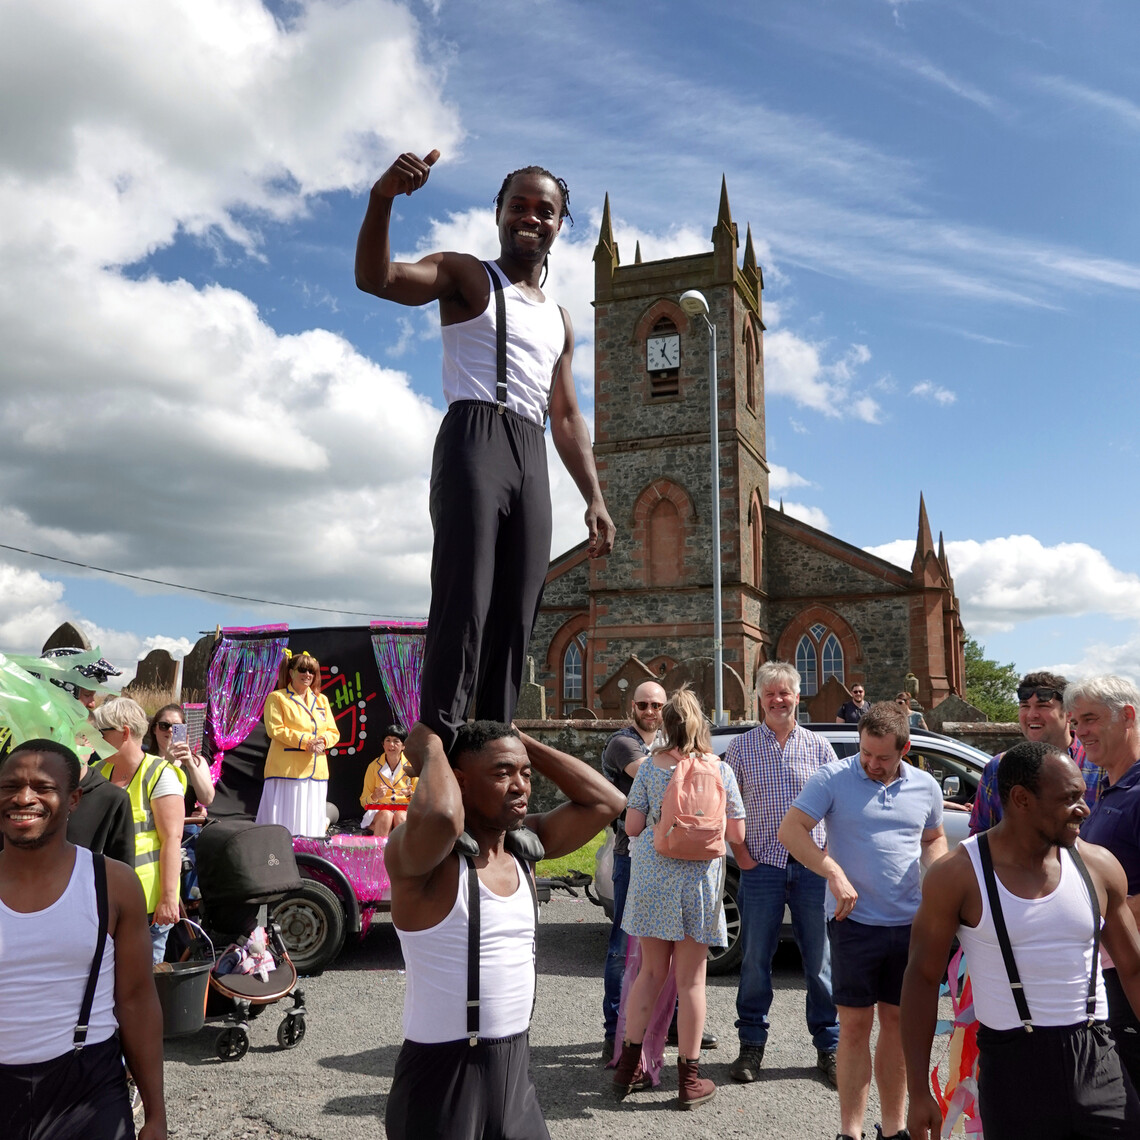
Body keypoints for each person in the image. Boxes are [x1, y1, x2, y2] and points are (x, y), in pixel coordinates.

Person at [355, 150, 615, 785]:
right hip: (475, 432)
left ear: (560, 225)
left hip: (531, 450)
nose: (531, 217)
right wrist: (382, 199)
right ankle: (437, 747)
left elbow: (566, 415)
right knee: (464, 598)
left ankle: (495, 757)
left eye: (544, 210)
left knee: (516, 612)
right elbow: (378, 280)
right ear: (498, 214)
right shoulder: (467, 275)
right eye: (518, 206)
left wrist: (596, 497)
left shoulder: (560, 319)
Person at [382, 721, 624, 1140]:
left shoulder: (522, 849)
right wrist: (432, 747)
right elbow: (441, 814)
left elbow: (608, 801)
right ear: (459, 781)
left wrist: (522, 742)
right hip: (442, 1080)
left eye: (525, 774)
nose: (519, 786)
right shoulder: (427, 862)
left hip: (515, 1074)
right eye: (501, 774)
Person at [902, 742, 1140, 1140]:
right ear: (1021, 799)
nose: (1084, 810)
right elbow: (922, 979)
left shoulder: (1098, 865)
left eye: (1082, 796)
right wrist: (918, 1091)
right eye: (1069, 799)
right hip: (1015, 1066)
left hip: (1099, 1054)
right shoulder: (958, 875)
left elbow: (1133, 968)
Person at [779, 702, 946, 1140]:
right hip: (852, 923)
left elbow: (932, 838)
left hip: (909, 927)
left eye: (883, 757)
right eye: (866, 753)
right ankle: (849, 1132)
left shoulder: (926, 786)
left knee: (896, 1024)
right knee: (853, 1026)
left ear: (905, 749)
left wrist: (939, 876)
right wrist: (832, 871)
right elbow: (791, 831)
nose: (871, 764)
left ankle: (893, 1130)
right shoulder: (833, 777)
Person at [0, 740, 166, 1140]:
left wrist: (156, 1115)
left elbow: (137, 999)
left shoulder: (112, 883)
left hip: (88, 1087)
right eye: (10, 787)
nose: (24, 798)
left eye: (43, 787)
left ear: (73, 799)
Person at [613, 685, 746, 1109]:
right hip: (699, 885)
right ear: (701, 724)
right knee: (691, 982)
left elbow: (633, 827)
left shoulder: (651, 768)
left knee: (650, 974)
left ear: (666, 724)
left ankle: (629, 1068)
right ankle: (688, 1080)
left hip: (654, 879)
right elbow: (737, 835)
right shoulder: (720, 770)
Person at [724, 659, 842, 1085]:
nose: (778, 700)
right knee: (756, 959)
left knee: (820, 960)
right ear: (758, 699)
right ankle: (751, 1046)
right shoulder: (740, 749)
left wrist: (828, 859)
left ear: (798, 696)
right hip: (762, 868)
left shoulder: (820, 748)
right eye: (770, 693)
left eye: (785, 692)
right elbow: (727, 810)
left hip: (812, 870)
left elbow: (838, 808)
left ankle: (829, 1048)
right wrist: (743, 855)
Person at [1068, 675, 1140, 1093]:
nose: (1080, 732)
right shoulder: (1111, 790)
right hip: (1110, 975)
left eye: (1091, 719)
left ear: (1127, 715)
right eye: (1076, 722)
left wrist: (1102, 921)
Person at [92, 696, 186, 965]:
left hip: (147, 906)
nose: (95, 738)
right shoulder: (99, 771)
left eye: (101, 732)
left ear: (123, 732)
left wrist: (168, 900)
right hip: (105, 900)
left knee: (142, 984)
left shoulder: (159, 774)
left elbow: (172, 840)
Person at [599, 679, 665, 1059]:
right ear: (633, 707)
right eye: (644, 705)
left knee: (668, 949)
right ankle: (614, 1029)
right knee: (623, 948)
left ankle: (668, 1025)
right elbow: (654, 774)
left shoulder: (667, 743)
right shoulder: (623, 743)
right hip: (631, 855)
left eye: (657, 705)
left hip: (669, 857)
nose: (650, 711)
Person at [970, 670, 1101, 835]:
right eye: (1025, 706)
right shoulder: (998, 768)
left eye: (1043, 706)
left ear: (1068, 713)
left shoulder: (1099, 763)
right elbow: (981, 835)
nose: (1032, 715)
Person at [258, 652, 340, 838]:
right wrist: (306, 742)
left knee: (312, 823)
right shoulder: (277, 698)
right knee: (286, 823)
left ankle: (309, 859)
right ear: (291, 672)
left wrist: (324, 740)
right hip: (287, 772)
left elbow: (333, 732)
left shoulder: (322, 700)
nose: (307, 675)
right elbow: (275, 730)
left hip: (316, 772)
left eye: (311, 671)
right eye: (302, 670)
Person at [145, 703, 215, 825]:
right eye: (164, 726)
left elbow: (207, 799)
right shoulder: (145, 759)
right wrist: (168, 762)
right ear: (154, 730)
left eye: (177, 727)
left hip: (186, 829)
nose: (170, 730)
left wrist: (190, 765)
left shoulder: (198, 762)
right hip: (154, 826)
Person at [68, 749, 135, 867]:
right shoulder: (34, 793)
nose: (71, 746)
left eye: (79, 736)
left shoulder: (113, 797)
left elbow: (122, 866)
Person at [360, 725, 417, 837]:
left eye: (396, 741)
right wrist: (374, 797)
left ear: (403, 746)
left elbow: (423, 800)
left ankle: (405, 853)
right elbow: (363, 801)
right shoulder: (373, 767)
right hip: (379, 812)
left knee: (401, 816)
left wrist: (411, 795)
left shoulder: (412, 766)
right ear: (383, 744)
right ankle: (379, 853)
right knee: (386, 816)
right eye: (388, 740)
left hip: (405, 811)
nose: (391, 745)